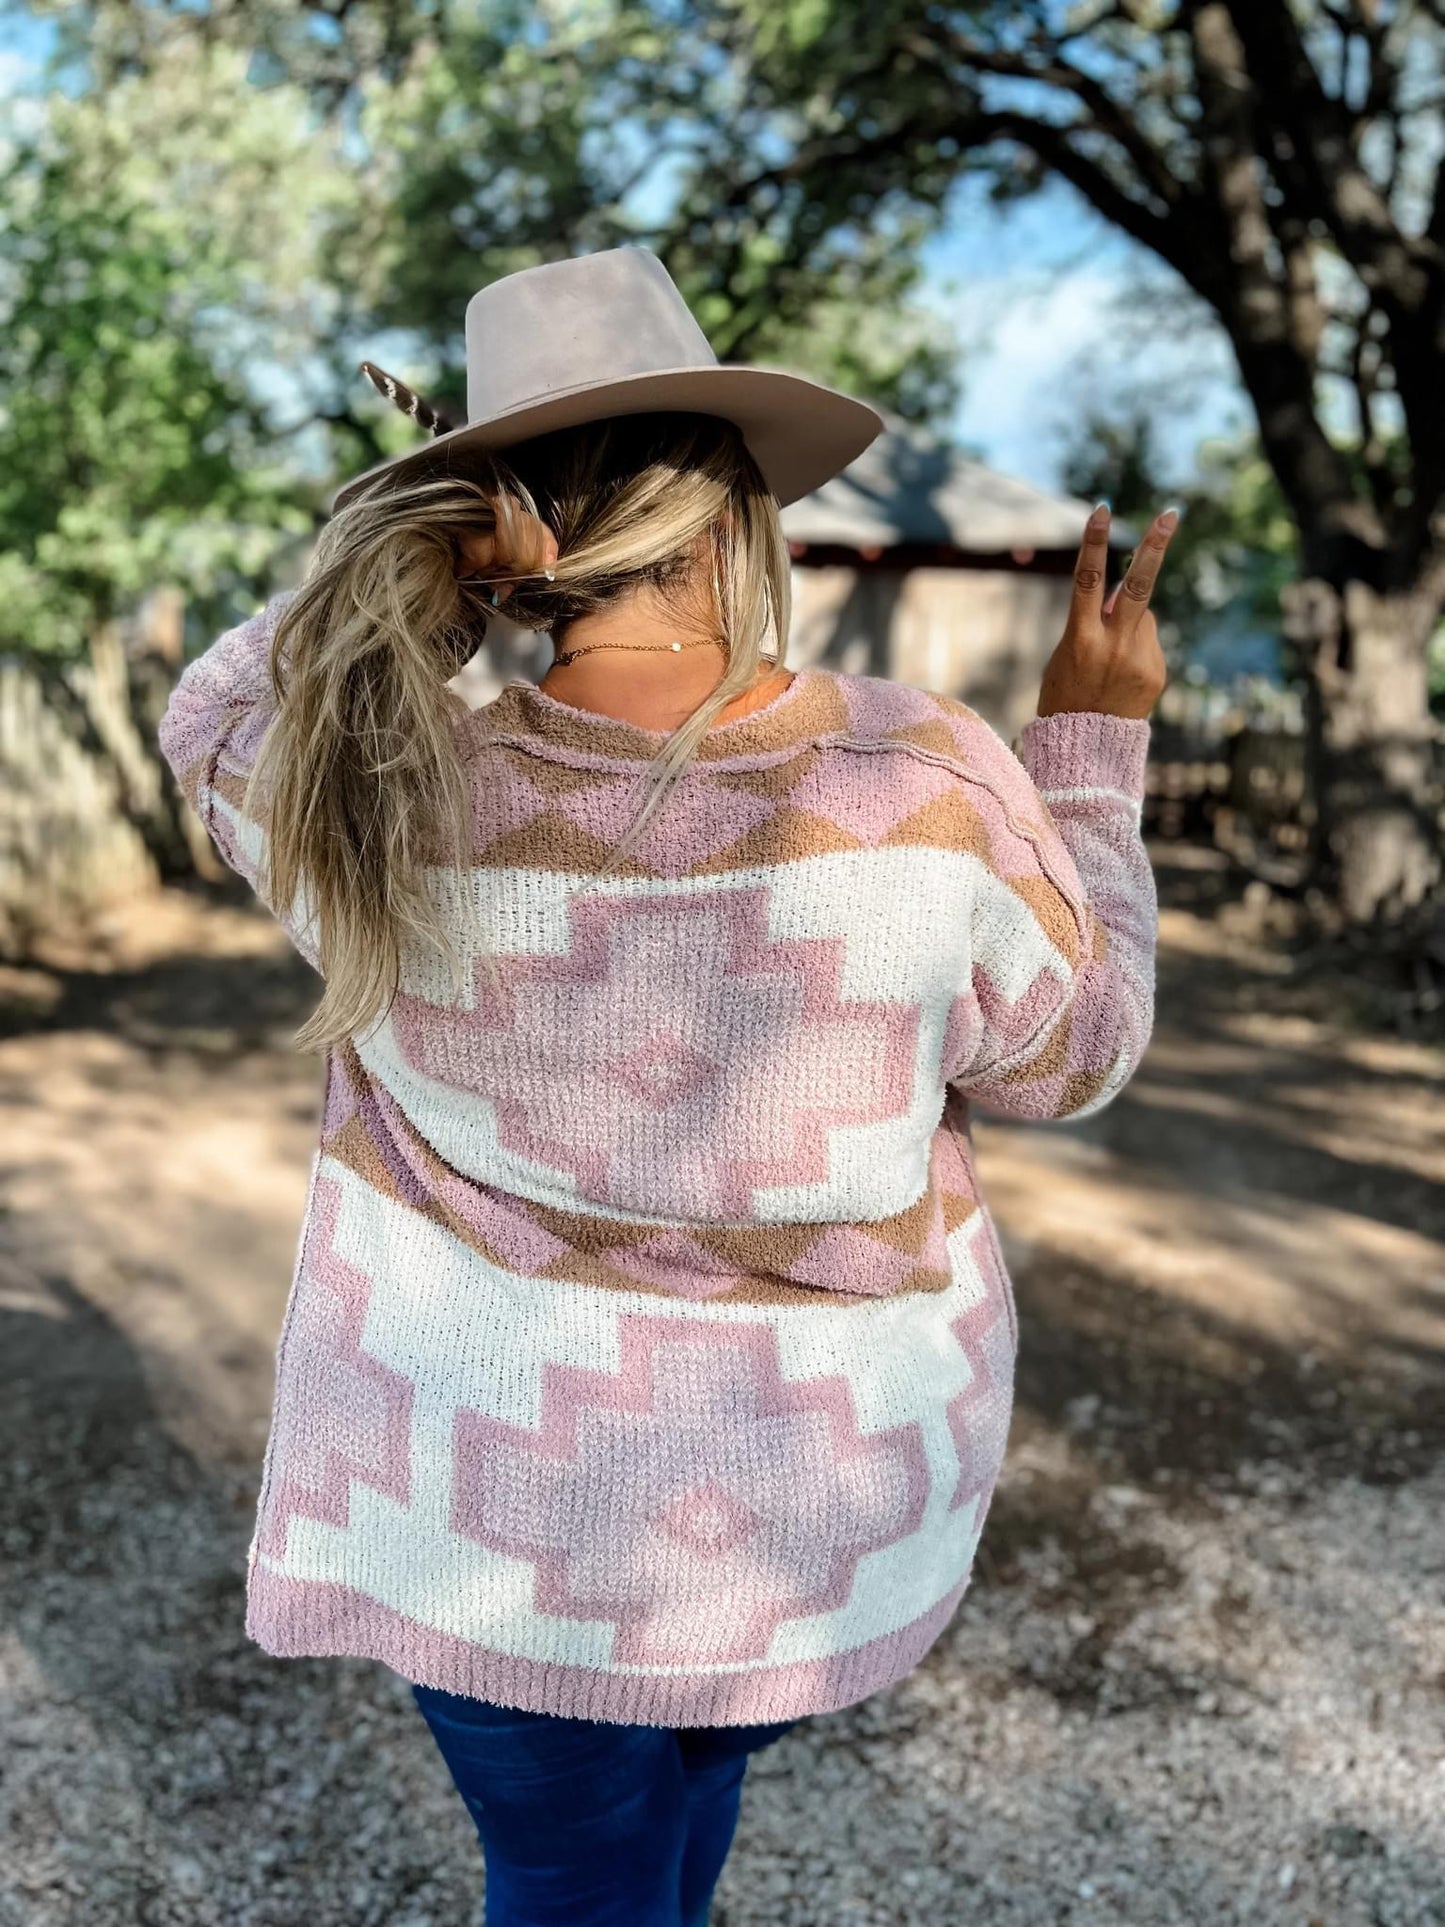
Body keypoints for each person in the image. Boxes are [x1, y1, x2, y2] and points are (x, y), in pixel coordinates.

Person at [156, 247, 1172, 1926]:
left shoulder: (382, 798)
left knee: (580, 1880)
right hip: (801, 1530)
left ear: (506, 531)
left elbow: (215, 716)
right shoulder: (918, 782)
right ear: (738, 513)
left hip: (487, 1527)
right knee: (661, 1858)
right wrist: (1090, 757)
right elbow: (1076, 1053)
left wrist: (441, 570)